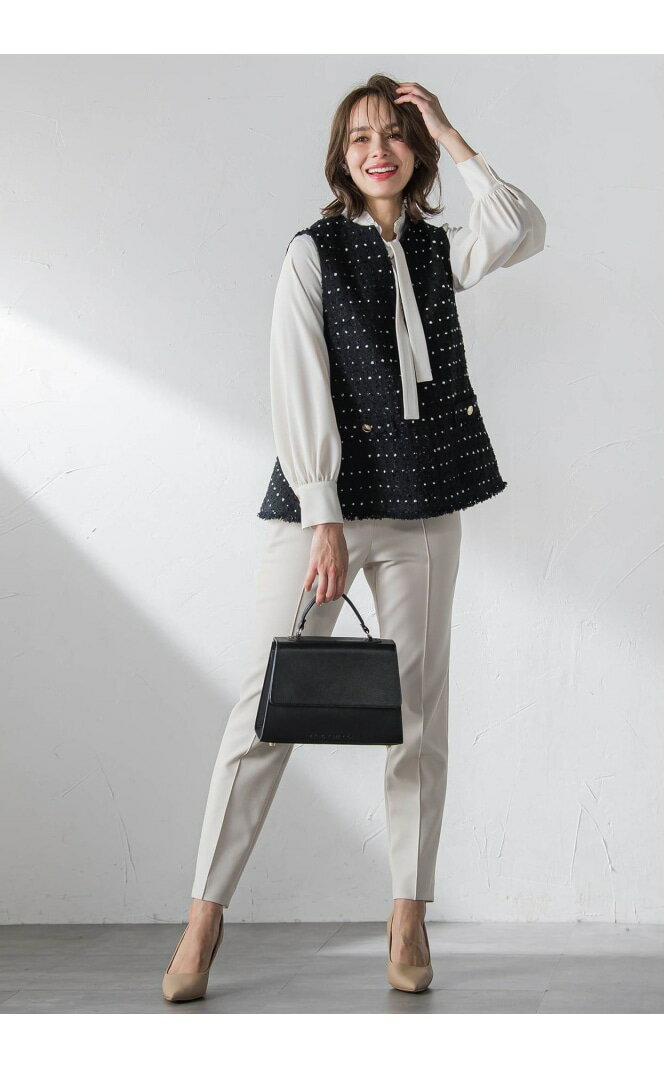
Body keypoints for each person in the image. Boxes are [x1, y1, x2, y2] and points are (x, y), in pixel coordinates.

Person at [162, 73, 546, 1002]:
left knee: (417, 716)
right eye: (362, 136)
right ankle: (204, 917)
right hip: (324, 511)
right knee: (265, 709)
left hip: (427, 500)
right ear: (341, 155)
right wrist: (322, 515)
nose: (380, 149)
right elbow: (295, 381)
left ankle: (407, 914)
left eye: (397, 134)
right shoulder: (312, 252)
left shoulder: (438, 249)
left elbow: (522, 227)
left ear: (416, 152)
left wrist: (451, 130)